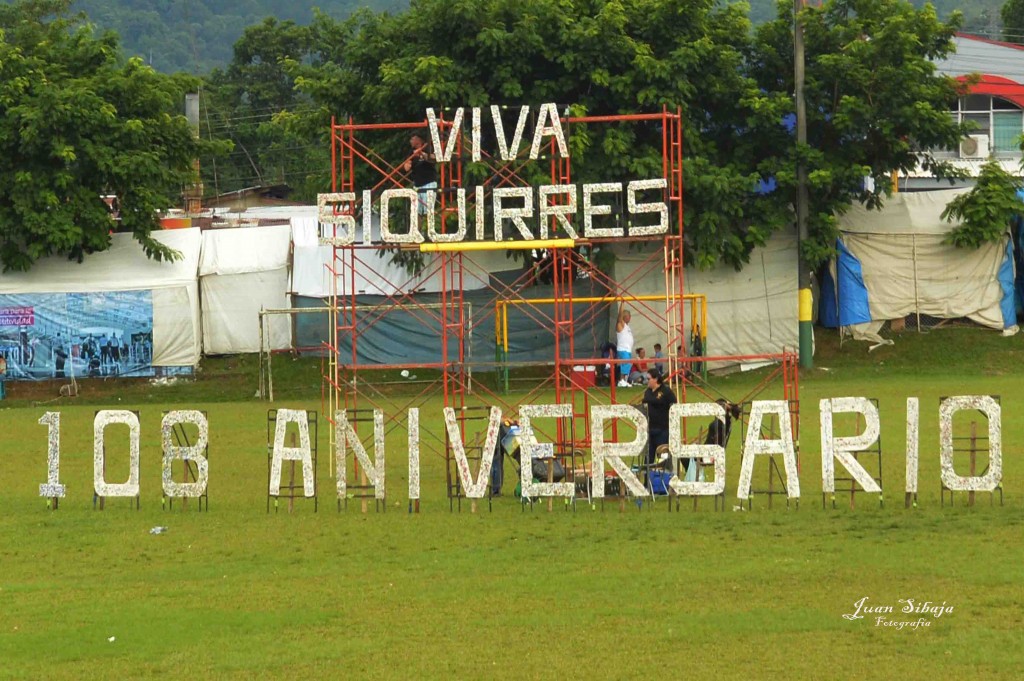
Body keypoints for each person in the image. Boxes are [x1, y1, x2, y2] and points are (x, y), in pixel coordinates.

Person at [686, 398, 742, 481]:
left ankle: (694, 480)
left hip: (711, 452)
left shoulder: (720, 422)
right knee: (689, 453)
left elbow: (717, 441)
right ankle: (695, 478)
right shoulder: (725, 420)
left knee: (685, 456)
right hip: (711, 449)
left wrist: (708, 452)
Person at [641, 367, 676, 467]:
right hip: (650, 429)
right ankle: (647, 481)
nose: (647, 381)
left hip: (662, 429)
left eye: (648, 379)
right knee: (648, 458)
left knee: (663, 457)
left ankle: (665, 479)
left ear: (656, 379)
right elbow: (645, 401)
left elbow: (674, 404)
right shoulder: (648, 391)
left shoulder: (666, 391)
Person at [402, 132, 437, 219]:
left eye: (412, 139)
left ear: (418, 139)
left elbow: (434, 158)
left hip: (428, 183)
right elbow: (406, 167)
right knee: (416, 213)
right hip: (417, 185)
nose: (410, 141)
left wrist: (421, 153)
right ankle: (418, 231)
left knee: (428, 212)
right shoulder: (411, 152)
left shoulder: (428, 148)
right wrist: (407, 164)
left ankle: (428, 231)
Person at [615, 305, 634, 388]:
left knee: (627, 365)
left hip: (627, 350)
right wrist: (622, 304)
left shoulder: (627, 326)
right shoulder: (620, 324)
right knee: (625, 364)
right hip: (623, 349)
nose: (630, 318)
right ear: (625, 316)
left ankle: (624, 381)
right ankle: (621, 380)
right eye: (628, 316)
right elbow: (619, 317)